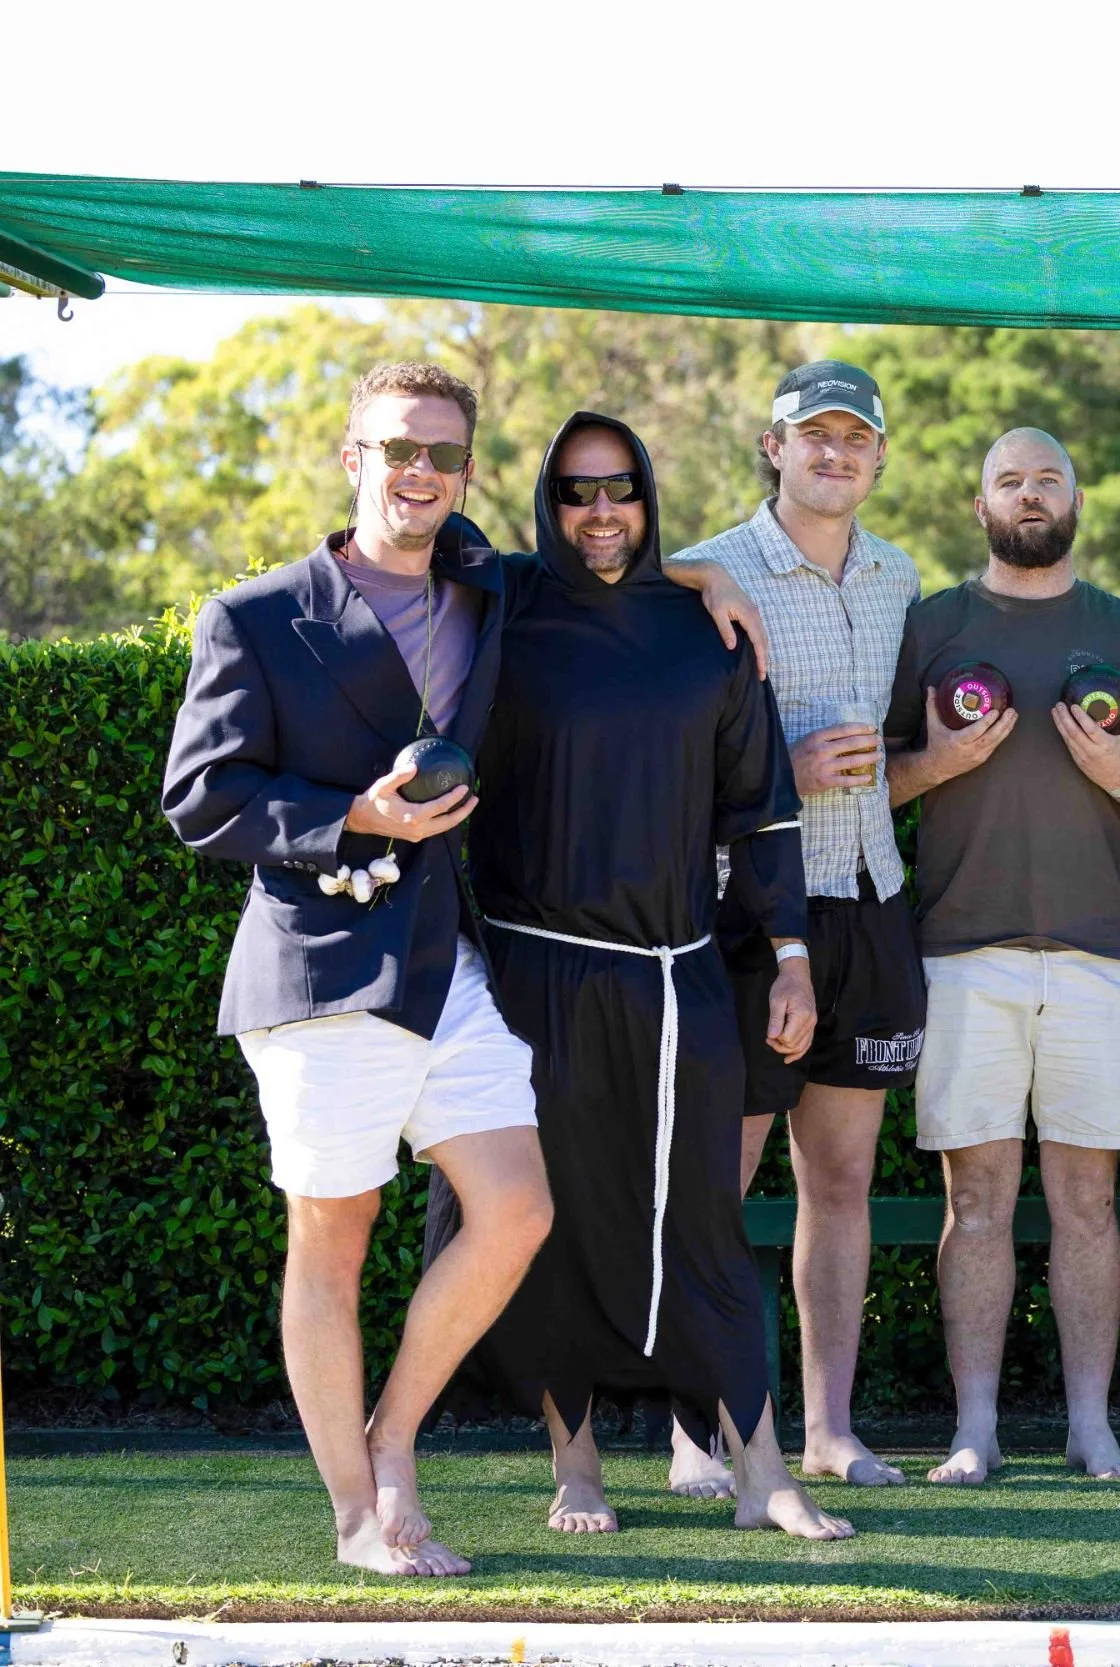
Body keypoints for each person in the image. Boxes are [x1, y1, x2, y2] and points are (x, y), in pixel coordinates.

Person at [160, 361, 555, 1578]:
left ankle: (391, 1438)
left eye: (440, 451)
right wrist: (359, 818)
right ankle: (354, 1514)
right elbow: (199, 800)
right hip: (320, 964)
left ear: (466, 472)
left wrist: (699, 576)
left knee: (519, 1207)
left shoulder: (489, 591)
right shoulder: (258, 615)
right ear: (353, 459)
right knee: (333, 1242)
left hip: (447, 960)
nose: (417, 470)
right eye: (395, 448)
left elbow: (606, 574)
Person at [448, 411, 846, 1539]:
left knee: (707, 1223)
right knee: (553, 1221)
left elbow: (763, 811)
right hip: (536, 976)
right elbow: (420, 536)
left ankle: (764, 1469)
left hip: (681, 978)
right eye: (575, 492)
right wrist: (704, 559)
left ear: (648, 493)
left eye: (620, 488)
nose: (600, 510)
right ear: (546, 502)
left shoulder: (708, 632)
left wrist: (794, 958)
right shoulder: (508, 607)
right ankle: (574, 1463)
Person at [883, 426, 1120, 1484]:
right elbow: (864, 785)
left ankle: (1090, 1425)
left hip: (1102, 960)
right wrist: (939, 760)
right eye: (1008, 479)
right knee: (973, 1201)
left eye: (1046, 477)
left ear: (1076, 497)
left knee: (1088, 1203)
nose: (1028, 493)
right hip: (962, 956)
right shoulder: (928, 628)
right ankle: (975, 1427)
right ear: (979, 502)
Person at [666, 361, 923, 1492]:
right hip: (749, 908)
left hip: (869, 899)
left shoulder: (899, 574)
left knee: (842, 1179)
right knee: (717, 1178)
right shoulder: (711, 573)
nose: (834, 453)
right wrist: (788, 767)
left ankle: (826, 1429)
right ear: (773, 446)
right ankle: (696, 1432)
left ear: (878, 454)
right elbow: (667, 751)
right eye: (811, 435)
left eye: (853, 438)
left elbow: (901, 751)